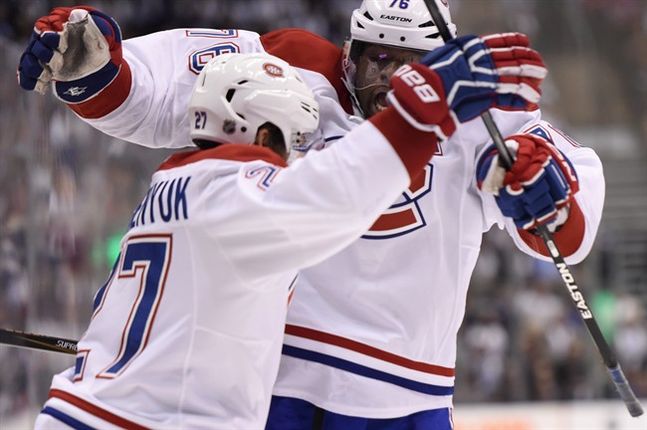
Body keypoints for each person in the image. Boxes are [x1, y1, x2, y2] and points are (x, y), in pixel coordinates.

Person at [17, 1, 604, 428]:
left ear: (439, 62)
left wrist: (548, 196)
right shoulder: (288, 72)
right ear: (350, 53)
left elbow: (567, 205)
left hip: (408, 396)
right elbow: (168, 90)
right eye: (377, 58)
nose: (389, 78)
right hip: (282, 379)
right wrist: (100, 72)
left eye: (411, 63)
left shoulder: (481, 114)